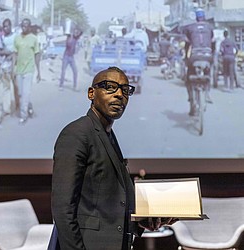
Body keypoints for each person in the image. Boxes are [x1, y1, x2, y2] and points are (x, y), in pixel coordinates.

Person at [50, 66, 175, 250]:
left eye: (125, 90)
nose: (119, 95)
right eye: (110, 87)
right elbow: (62, 208)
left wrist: (141, 223)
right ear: (91, 93)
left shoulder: (107, 135)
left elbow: (107, 206)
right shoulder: (77, 133)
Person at [183, 8, 215, 116]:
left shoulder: (190, 27)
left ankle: (191, 100)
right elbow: (212, 43)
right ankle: (208, 92)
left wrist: (186, 59)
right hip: (208, 56)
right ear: (204, 17)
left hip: (195, 57)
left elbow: (187, 45)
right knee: (208, 71)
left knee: (188, 78)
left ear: (196, 18)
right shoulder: (210, 27)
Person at [14, 18, 41, 124]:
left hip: (29, 69)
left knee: (26, 93)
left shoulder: (34, 39)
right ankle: (29, 107)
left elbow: (37, 54)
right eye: (23, 25)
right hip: (19, 69)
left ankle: (23, 115)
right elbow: (15, 53)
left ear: (29, 27)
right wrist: (13, 68)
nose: (24, 27)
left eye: (26, 25)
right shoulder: (17, 38)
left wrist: (39, 71)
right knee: (21, 93)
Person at [0, 18, 16, 124]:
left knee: (17, 87)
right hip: (4, 65)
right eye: (4, 26)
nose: (5, 28)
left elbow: (17, 51)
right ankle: (6, 108)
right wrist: (7, 52)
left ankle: (20, 106)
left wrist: (11, 53)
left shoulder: (15, 37)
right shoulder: (1, 38)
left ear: (11, 26)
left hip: (15, 64)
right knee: (6, 87)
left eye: (7, 26)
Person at [59, 27, 83, 91]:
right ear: (73, 32)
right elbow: (68, 44)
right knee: (63, 71)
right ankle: (61, 85)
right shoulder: (70, 38)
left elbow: (81, 32)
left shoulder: (76, 38)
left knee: (75, 71)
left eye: (77, 33)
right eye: (75, 32)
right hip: (66, 56)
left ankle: (74, 86)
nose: (76, 33)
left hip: (71, 57)